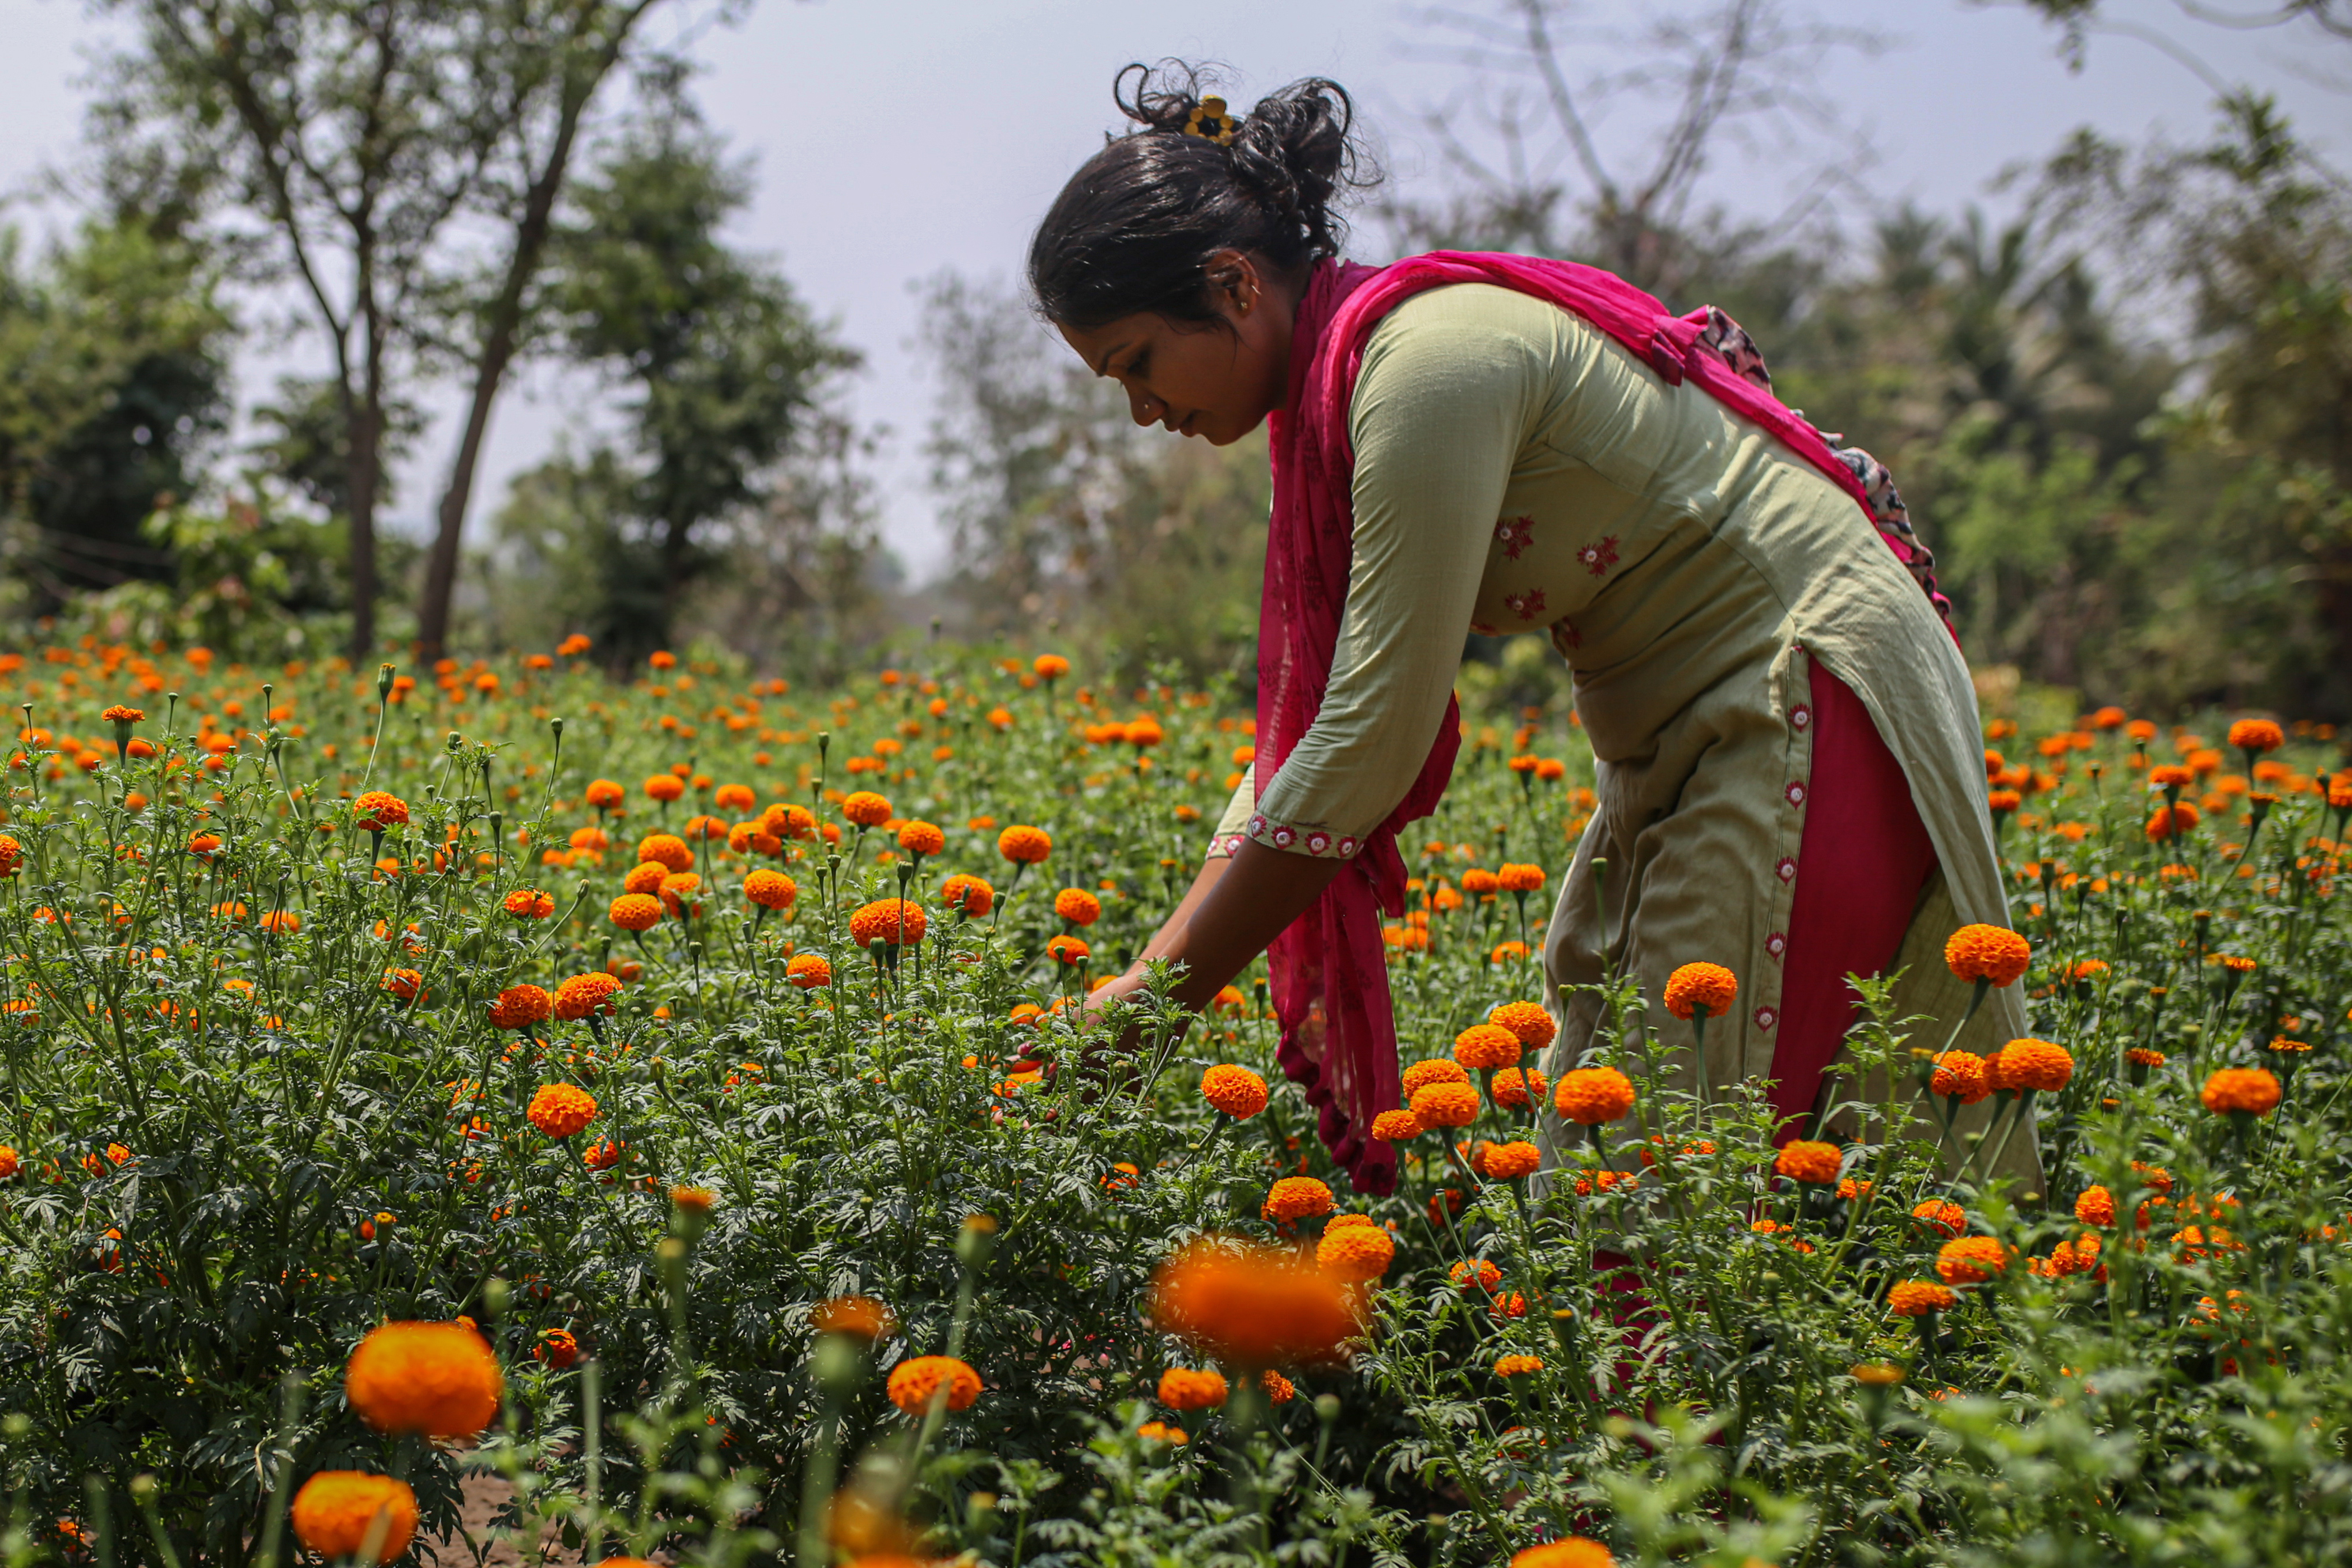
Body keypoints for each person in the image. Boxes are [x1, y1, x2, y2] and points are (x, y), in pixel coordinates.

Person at [1040, 66, 2026, 1195]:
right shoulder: (1343, 404)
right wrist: (1147, 975)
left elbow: (1371, 733)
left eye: (1136, 364)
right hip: (1689, 739)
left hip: (1801, 697)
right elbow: (1310, 735)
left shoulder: (1426, 368)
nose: (1142, 411)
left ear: (1229, 285)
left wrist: (1154, 995)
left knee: (1647, 1191)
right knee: (1652, 1168)